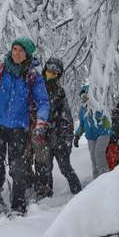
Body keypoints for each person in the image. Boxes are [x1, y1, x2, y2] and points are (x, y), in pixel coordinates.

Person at [0, 37, 50, 215]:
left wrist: (40, 123)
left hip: (20, 129)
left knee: (18, 167)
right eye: (14, 49)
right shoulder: (1, 71)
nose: (16, 53)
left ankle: (18, 204)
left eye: (21, 50)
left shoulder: (33, 77)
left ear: (27, 54)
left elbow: (43, 102)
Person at [33, 58, 82, 199]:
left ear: (58, 75)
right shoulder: (37, 86)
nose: (50, 75)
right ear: (45, 70)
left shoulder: (59, 92)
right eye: (49, 71)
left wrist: (67, 139)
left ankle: (79, 194)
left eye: (54, 73)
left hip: (58, 137)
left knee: (65, 167)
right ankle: (45, 196)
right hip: (41, 135)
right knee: (43, 167)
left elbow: (66, 118)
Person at [73, 85, 111, 180]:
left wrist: (109, 129)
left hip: (103, 133)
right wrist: (77, 135)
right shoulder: (82, 109)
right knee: (93, 158)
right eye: (82, 97)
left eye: (85, 95)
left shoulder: (97, 105)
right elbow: (82, 124)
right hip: (91, 137)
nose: (84, 98)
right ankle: (96, 180)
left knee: (98, 153)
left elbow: (106, 118)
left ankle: (105, 176)